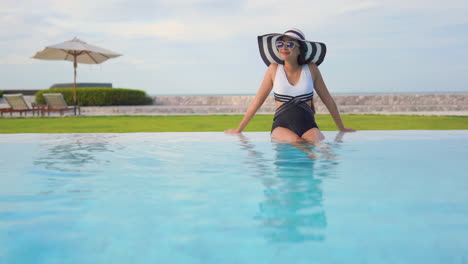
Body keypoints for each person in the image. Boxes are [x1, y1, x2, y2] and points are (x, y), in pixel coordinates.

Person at [225, 28, 355, 143]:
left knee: (319, 142)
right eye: (280, 44)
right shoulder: (273, 69)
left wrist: (341, 128)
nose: (284, 48)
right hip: (282, 126)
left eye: (290, 44)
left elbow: (328, 100)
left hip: (308, 124)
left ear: (300, 49)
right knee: (298, 142)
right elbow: (257, 101)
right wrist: (239, 129)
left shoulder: (311, 69)